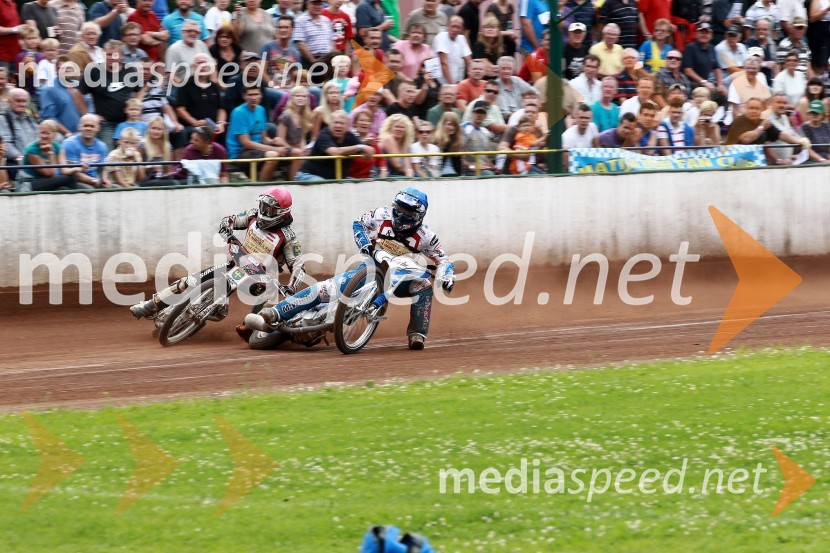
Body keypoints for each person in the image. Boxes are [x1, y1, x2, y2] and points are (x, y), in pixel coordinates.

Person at [252, 188, 455, 351]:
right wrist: (365, 245)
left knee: (423, 285)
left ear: (419, 216)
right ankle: (275, 312)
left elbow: (443, 259)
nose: (402, 215)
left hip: (401, 279)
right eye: (399, 209)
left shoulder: (427, 236)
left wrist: (446, 276)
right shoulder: (382, 214)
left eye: (408, 212)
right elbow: (359, 223)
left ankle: (417, 334)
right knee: (325, 288)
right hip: (372, 270)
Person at [131, 186, 307, 343]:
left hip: (260, 280)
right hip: (238, 263)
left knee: (263, 310)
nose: (264, 212)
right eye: (263, 206)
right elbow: (229, 220)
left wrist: (291, 287)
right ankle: (151, 305)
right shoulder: (253, 216)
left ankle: (258, 331)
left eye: (269, 210)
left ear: (281, 213)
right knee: (189, 281)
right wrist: (227, 230)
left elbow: (299, 267)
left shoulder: (288, 238)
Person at [724, 96, 811, 164]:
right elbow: (746, 139)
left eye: (757, 109)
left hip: (752, 163)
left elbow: (781, 135)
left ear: (761, 111)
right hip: (730, 160)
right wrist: (761, 128)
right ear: (746, 109)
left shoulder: (763, 122)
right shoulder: (739, 121)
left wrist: (800, 142)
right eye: (751, 108)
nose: (753, 111)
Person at [296, 110, 373, 180]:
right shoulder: (324, 135)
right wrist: (360, 147)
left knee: (354, 183)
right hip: (308, 175)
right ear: (330, 124)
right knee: (322, 183)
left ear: (347, 126)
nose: (338, 126)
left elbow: (367, 151)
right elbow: (335, 152)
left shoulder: (350, 136)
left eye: (342, 123)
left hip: (335, 179)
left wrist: (367, 148)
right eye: (336, 122)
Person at [19, 119, 89, 191]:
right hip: (29, 182)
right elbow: (50, 173)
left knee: (64, 189)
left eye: (47, 133)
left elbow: (64, 170)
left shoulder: (56, 146)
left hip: (47, 180)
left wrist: (78, 168)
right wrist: (50, 153)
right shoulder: (31, 149)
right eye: (42, 133)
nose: (44, 136)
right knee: (68, 178)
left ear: (54, 135)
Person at [62, 114, 110, 187]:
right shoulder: (70, 144)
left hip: (94, 179)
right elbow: (74, 173)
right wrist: (93, 181)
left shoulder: (102, 146)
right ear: (79, 127)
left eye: (92, 126)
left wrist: (105, 179)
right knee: (89, 189)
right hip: (74, 180)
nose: (88, 129)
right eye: (85, 126)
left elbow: (103, 168)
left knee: (115, 188)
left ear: (98, 128)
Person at [291, 0, 334, 67]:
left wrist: (332, 58)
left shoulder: (326, 20)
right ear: (307, 4)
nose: (317, 6)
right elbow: (300, 44)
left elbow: (332, 41)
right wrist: (313, 61)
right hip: (310, 60)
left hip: (328, 59)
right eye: (314, 3)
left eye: (319, 4)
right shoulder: (300, 20)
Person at [432, 16, 471, 85]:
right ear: (448, 26)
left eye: (458, 27)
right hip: (441, 82)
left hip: (458, 81)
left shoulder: (462, 38)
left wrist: (469, 81)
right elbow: (443, 63)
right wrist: (452, 85)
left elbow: (469, 61)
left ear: (462, 29)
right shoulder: (441, 37)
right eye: (453, 26)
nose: (455, 29)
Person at [461, 100, 495, 175]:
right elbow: (458, 153)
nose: (479, 115)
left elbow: (486, 157)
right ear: (473, 113)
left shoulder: (486, 132)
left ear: (486, 115)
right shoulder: (465, 128)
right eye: (477, 112)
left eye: (482, 113)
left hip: (482, 167)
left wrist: (492, 167)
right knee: (488, 174)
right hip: (467, 169)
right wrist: (469, 166)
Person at [434, 111, 463, 176]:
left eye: (454, 125)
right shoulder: (436, 140)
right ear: (443, 124)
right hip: (439, 174)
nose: (452, 127)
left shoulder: (457, 140)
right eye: (449, 124)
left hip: (455, 174)